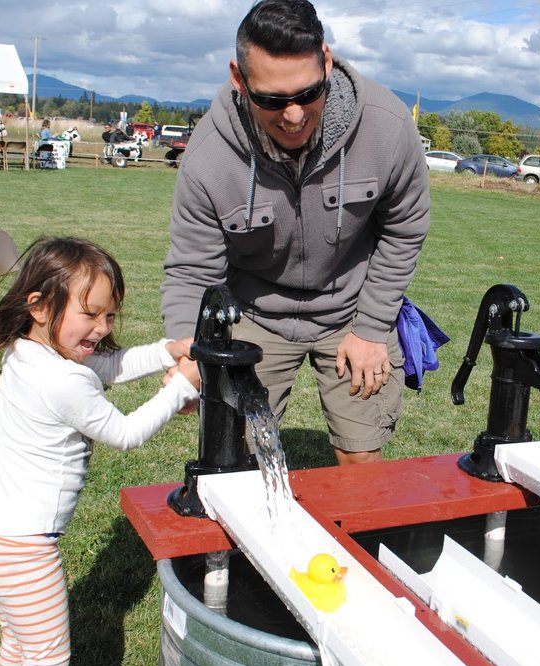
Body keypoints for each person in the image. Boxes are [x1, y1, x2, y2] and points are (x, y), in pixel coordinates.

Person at [160, 0, 430, 465]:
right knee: (235, 459)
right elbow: (192, 270)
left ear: (326, 61)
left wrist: (370, 328)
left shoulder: (387, 126)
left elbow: (404, 227)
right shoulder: (208, 155)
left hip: (352, 308)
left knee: (362, 461)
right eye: (270, 100)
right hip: (256, 314)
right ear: (238, 79)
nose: (292, 115)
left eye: (308, 93)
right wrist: (192, 352)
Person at [0, 237, 201, 666]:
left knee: (20, 646)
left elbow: (109, 366)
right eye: (90, 314)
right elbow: (125, 434)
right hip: (21, 548)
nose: (104, 328)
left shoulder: (31, 350)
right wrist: (182, 385)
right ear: (40, 306)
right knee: (48, 658)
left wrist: (168, 350)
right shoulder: (62, 382)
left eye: (109, 315)